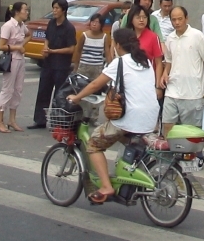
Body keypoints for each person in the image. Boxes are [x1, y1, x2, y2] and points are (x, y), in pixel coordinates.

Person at [67, 28, 159, 204]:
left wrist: (77, 97)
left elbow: (95, 84)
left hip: (130, 118)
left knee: (94, 144)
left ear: (117, 45)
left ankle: (106, 186)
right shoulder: (145, 60)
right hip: (151, 117)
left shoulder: (120, 62)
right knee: (124, 139)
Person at [161, 6, 204, 134]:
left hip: (192, 93)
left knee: (191, 132)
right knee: (168, 126)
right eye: (174, 20)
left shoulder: (197, 36)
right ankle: (172, 153)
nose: (177, 23)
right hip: (172, 90)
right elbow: (169, 60)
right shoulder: (170, 38)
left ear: (186, 18)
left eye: (180, 19)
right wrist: (164, 73)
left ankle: (194, 154)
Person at [28, 0, 76, 129]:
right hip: (48, 63)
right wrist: (45, 48)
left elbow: (71, 48)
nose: (54, 11)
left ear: (63, 10)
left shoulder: (69, 28)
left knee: (59, 94)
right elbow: (47, 38)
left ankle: (57, 121)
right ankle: (39, 120)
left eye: (57, 8)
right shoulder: (51, 24)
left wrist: (54, 51)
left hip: (61, 65)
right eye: (53, 8)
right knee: (43, 91)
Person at [0, 1, 31, 133]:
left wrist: (22, 45)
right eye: (25, 10)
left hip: (20, 59)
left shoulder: (22, 26)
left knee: (18, 89)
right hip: (11, 59)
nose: (27, 12)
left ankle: (12, 119)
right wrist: (17, 47)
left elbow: (29, 34)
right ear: (17, 12)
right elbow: (1, 45)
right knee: (7, 89)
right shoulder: (8, 26)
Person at [126, 5, 164, 91]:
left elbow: (158, 63)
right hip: (129, 81)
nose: (142, 20)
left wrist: (158, 86)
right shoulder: (127, 36)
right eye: (138, 17)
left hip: (147, 82)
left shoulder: (153, 37)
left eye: (144, 17)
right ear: (131, 19)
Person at [74, 13, 112, 81]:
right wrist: (76, 66)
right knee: (82, 86)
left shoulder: (104, 37)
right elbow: (78, 51)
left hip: (98, 67)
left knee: (96, 88)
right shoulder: (84, 35)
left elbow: (107, 53)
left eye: (97, 22)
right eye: (92, 22)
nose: (94, 24)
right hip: (84, 66)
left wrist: (110, 66)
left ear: (101, 25)